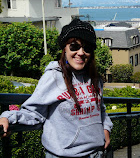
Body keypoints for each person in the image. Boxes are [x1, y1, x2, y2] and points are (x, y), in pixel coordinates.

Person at [0, 19, 113, 158]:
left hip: (99, 153)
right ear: (64, 48)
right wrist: (8, 118)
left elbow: (101, 109)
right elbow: (35, 114)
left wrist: (106, 129)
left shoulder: (95, 78)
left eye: (87, 48)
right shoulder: (53, 76)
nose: (81, 52)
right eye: (74, 46)